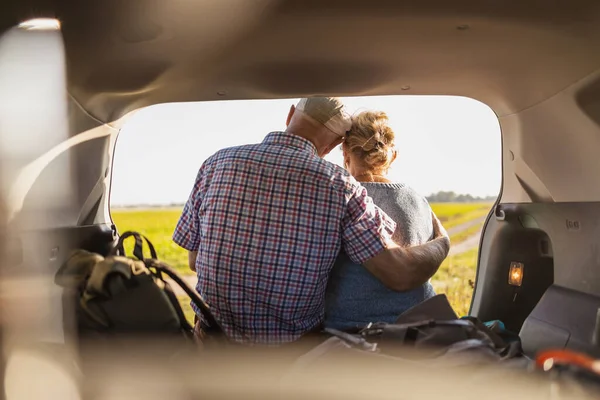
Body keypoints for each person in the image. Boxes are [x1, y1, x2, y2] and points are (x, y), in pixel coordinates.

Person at [173, 97, 450, 345]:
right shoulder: (340, 185)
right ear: (333, 145)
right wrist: (442, 243)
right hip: (290, 354)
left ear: (290, 114)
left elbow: (194, 261)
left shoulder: (216, 162)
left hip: (212, 341)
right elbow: (398, 273)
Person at [324, 111, 437, 331]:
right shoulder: (419, 201)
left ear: (345, 152)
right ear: (392, 155)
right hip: (418, 328)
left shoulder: (340, 199)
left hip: (349, 330)